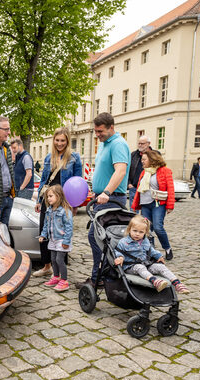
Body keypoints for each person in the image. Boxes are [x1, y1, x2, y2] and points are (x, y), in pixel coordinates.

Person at [84, 113, 130, 288]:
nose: (97, 134)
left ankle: (103, 276)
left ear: (111, 127)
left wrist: (106, 192)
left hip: (111, 199)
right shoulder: (104, 144)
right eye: (95, 131)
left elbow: (120, 171)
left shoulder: (118, 144)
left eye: (100, 131)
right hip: (102, 199)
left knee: (98, 239)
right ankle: (100, 276)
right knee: (99, 239)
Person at [33, 127, 82, 277]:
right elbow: (43, 180)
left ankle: (60, 268)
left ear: (67, 141)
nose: (59, 143)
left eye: (62, 140)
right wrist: (39, 200)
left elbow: (78, 182)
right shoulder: (49, 157)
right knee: (44, 230)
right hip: (48, 200)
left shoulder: (74, 157)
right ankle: (47, 265)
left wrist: (75, 204)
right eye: (57, 140)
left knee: (62, 232)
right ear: (53, 140)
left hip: (64, 201)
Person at [114, 215, 189, 294]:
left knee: (160, 267)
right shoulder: (124, 242)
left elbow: (151, 250)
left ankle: (177, 283)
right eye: (135, 231)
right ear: (129, 230)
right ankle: (155, 281)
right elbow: (117, 251)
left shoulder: (145, 241)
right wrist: (120, 257)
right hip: (131, 267)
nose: (137, 234)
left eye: (141, 232)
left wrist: (158, 256)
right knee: (140, 267)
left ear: (145, 233)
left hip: (146, 264)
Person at [131, 150, 175, 260]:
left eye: (144, 159)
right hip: (145, 204)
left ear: (152, 159)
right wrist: (135, 205)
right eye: (142, 159)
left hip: (158, 203)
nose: (142, 161)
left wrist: (170, 205)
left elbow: (170, 188)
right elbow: (138, 190)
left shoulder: (165, 171)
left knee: (158, 227)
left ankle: (167, 248)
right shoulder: (144, 172)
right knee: (146, 229)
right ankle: (150, 250)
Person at [39, 185, 73, 292]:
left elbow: (69, 227)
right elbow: (45, 224)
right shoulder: (49, 210)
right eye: (47, 196)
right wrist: (43, 235)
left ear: (58, 196)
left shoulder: (65, 211)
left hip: (62, 239)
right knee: (53, 259)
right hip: (52, 239)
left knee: (59, 259)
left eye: (50, 196)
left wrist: (66, 241)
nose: (48, 198)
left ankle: (64, 281)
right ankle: (56, 276)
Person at [128, 136, 153, 210]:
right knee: (133, 211)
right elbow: (127, 169)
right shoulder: (133, 155)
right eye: (139, 143)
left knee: (146, 212)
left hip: (149, 188)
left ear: (148, 144)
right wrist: (129, 183)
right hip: (134, 187)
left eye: (142, 143)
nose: (140, 145)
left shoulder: (155, 154)